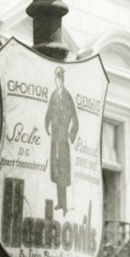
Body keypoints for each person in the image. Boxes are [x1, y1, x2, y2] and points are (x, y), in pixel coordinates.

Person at [44, 66, 79, 212]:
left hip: (63, 139)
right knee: (56, 170)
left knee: (63, 171)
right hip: (54, 139)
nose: (57, 81)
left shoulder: (67, 96)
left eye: (59, 79)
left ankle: (64, 204)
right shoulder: (53, 95)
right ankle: (60, 203)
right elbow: (49, 112)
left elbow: (75, 118)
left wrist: (71, 136)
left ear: (62, 80)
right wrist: (46, 125)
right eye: (56, 78)